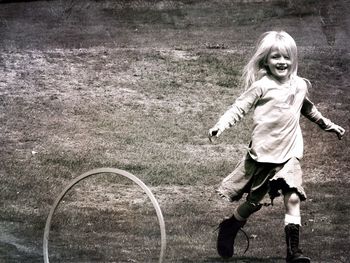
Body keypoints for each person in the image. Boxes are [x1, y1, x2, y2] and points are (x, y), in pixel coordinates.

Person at [208, 31, 345, 263]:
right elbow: (238, 108)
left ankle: (294, 253)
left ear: (294, 59)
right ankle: (230, 226)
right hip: (264, 154)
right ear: (266, 60)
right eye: (275, 57)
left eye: (286, 57)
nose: (282, 61)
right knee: (252, 204)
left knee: (292, 197)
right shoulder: (262, 86)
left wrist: (327, 125)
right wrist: (220, 126)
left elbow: (308, 109)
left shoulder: (300, 85)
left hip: (290, 154)